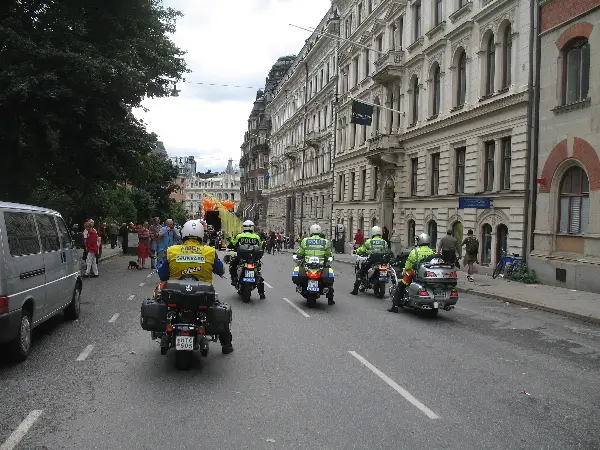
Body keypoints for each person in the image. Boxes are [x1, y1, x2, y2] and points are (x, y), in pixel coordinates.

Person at [157, 220, 233, 354]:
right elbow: (220, 270)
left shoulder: (172, 250)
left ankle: (161, 333)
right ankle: (226, 345)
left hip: (174, 295)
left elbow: (162, 274)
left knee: (160, 301)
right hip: (203, 296)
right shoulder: (209, 251)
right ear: (201, 234)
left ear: (183, 233)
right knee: (219, 311)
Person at [388, 233, 434, 313]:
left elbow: (408, 266)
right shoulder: (432, 252)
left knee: (400, 286)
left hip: (415, 273)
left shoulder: (415, 252)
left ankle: (395, 306)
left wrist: (404, 271)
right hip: (428, 274)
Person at [296, 224, 335, 304]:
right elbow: (328, 254)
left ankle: (301, 287)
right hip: (320, 265)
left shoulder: (305, 241)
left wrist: (298, 255)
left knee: (300, 269)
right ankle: (330, 299)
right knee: (329, 280)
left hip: (308, 265)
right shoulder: (325, 242)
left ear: (311, 231)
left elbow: (300, 252)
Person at [227, 220, 266, 299]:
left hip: (241, 258)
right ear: (252, 227)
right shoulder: (256, 237)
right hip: (253, 259)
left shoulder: (239, 236)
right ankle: (261, 293)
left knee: (233, 264)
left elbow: (232, 243)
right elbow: (261, 245)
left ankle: (234, 279)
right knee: (258, 273)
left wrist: (231, 245)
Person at [351, 226, 389, 295]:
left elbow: (362, 249)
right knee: (385, 271)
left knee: (360, 273)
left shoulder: (369, 242)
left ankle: (355, 290)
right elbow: (386, 250)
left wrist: (355, 251)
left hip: (372, 261)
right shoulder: (384, 242)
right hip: (382, 262)